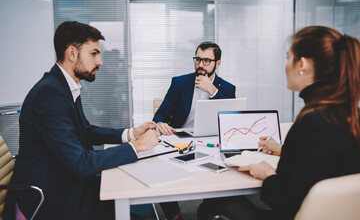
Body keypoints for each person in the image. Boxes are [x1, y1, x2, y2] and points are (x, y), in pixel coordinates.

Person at [197, 26, 360, 220]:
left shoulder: (312, 123)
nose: (285, 65)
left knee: (213, 203)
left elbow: (288, 202)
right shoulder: (350, 114)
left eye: (288, 57)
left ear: (302, 65)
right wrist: (283, 150)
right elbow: (328, 162)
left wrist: (267, 175)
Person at [5, 21, 159, 220]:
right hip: (51, 199)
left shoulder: (62, 86)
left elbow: (85, 131)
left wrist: (131, 134)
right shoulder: (49, 94)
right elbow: (80, 163)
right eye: (93, 53)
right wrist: (137, 146)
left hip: (65, 182)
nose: (100, 61)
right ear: (72, 53)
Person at [154, 41, 236, 136]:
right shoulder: (179, 83)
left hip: (213, 137)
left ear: (218, 64)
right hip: (181, 136)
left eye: (206, 61)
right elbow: (161, 114)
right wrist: (160, 124)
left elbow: (230, 120)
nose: (200, 65)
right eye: (198, 59)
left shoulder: (228, 88)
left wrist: (213, 91)